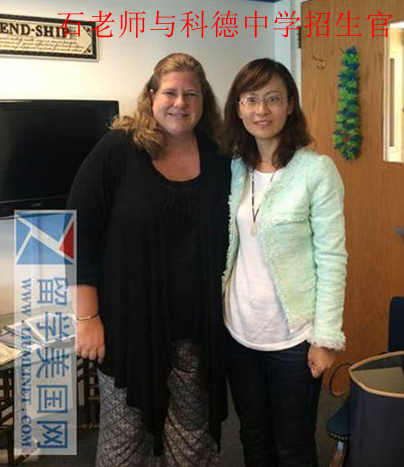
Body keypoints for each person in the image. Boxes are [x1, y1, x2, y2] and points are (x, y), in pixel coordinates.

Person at [67, 53, 230, 467]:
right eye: (170, 92)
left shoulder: (218, 156)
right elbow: (78, 231)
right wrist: (87, 318)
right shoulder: (118, 150)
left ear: (204, 100)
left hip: (197, 331)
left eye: (191, 93)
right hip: (128, 329)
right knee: (125, 444)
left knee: (191, 443)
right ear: (152, 95)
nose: (180, 103)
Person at [221, 58, 347, 467]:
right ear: (238, 107)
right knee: (253, 437)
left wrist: (325, 337)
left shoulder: (316, 171)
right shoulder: (235, 167)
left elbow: (332, 257)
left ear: (290, 104)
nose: (262, 110)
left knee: (293, 446)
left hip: (293, 337)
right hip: (239, 330)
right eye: (251, 99)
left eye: (273, 99)